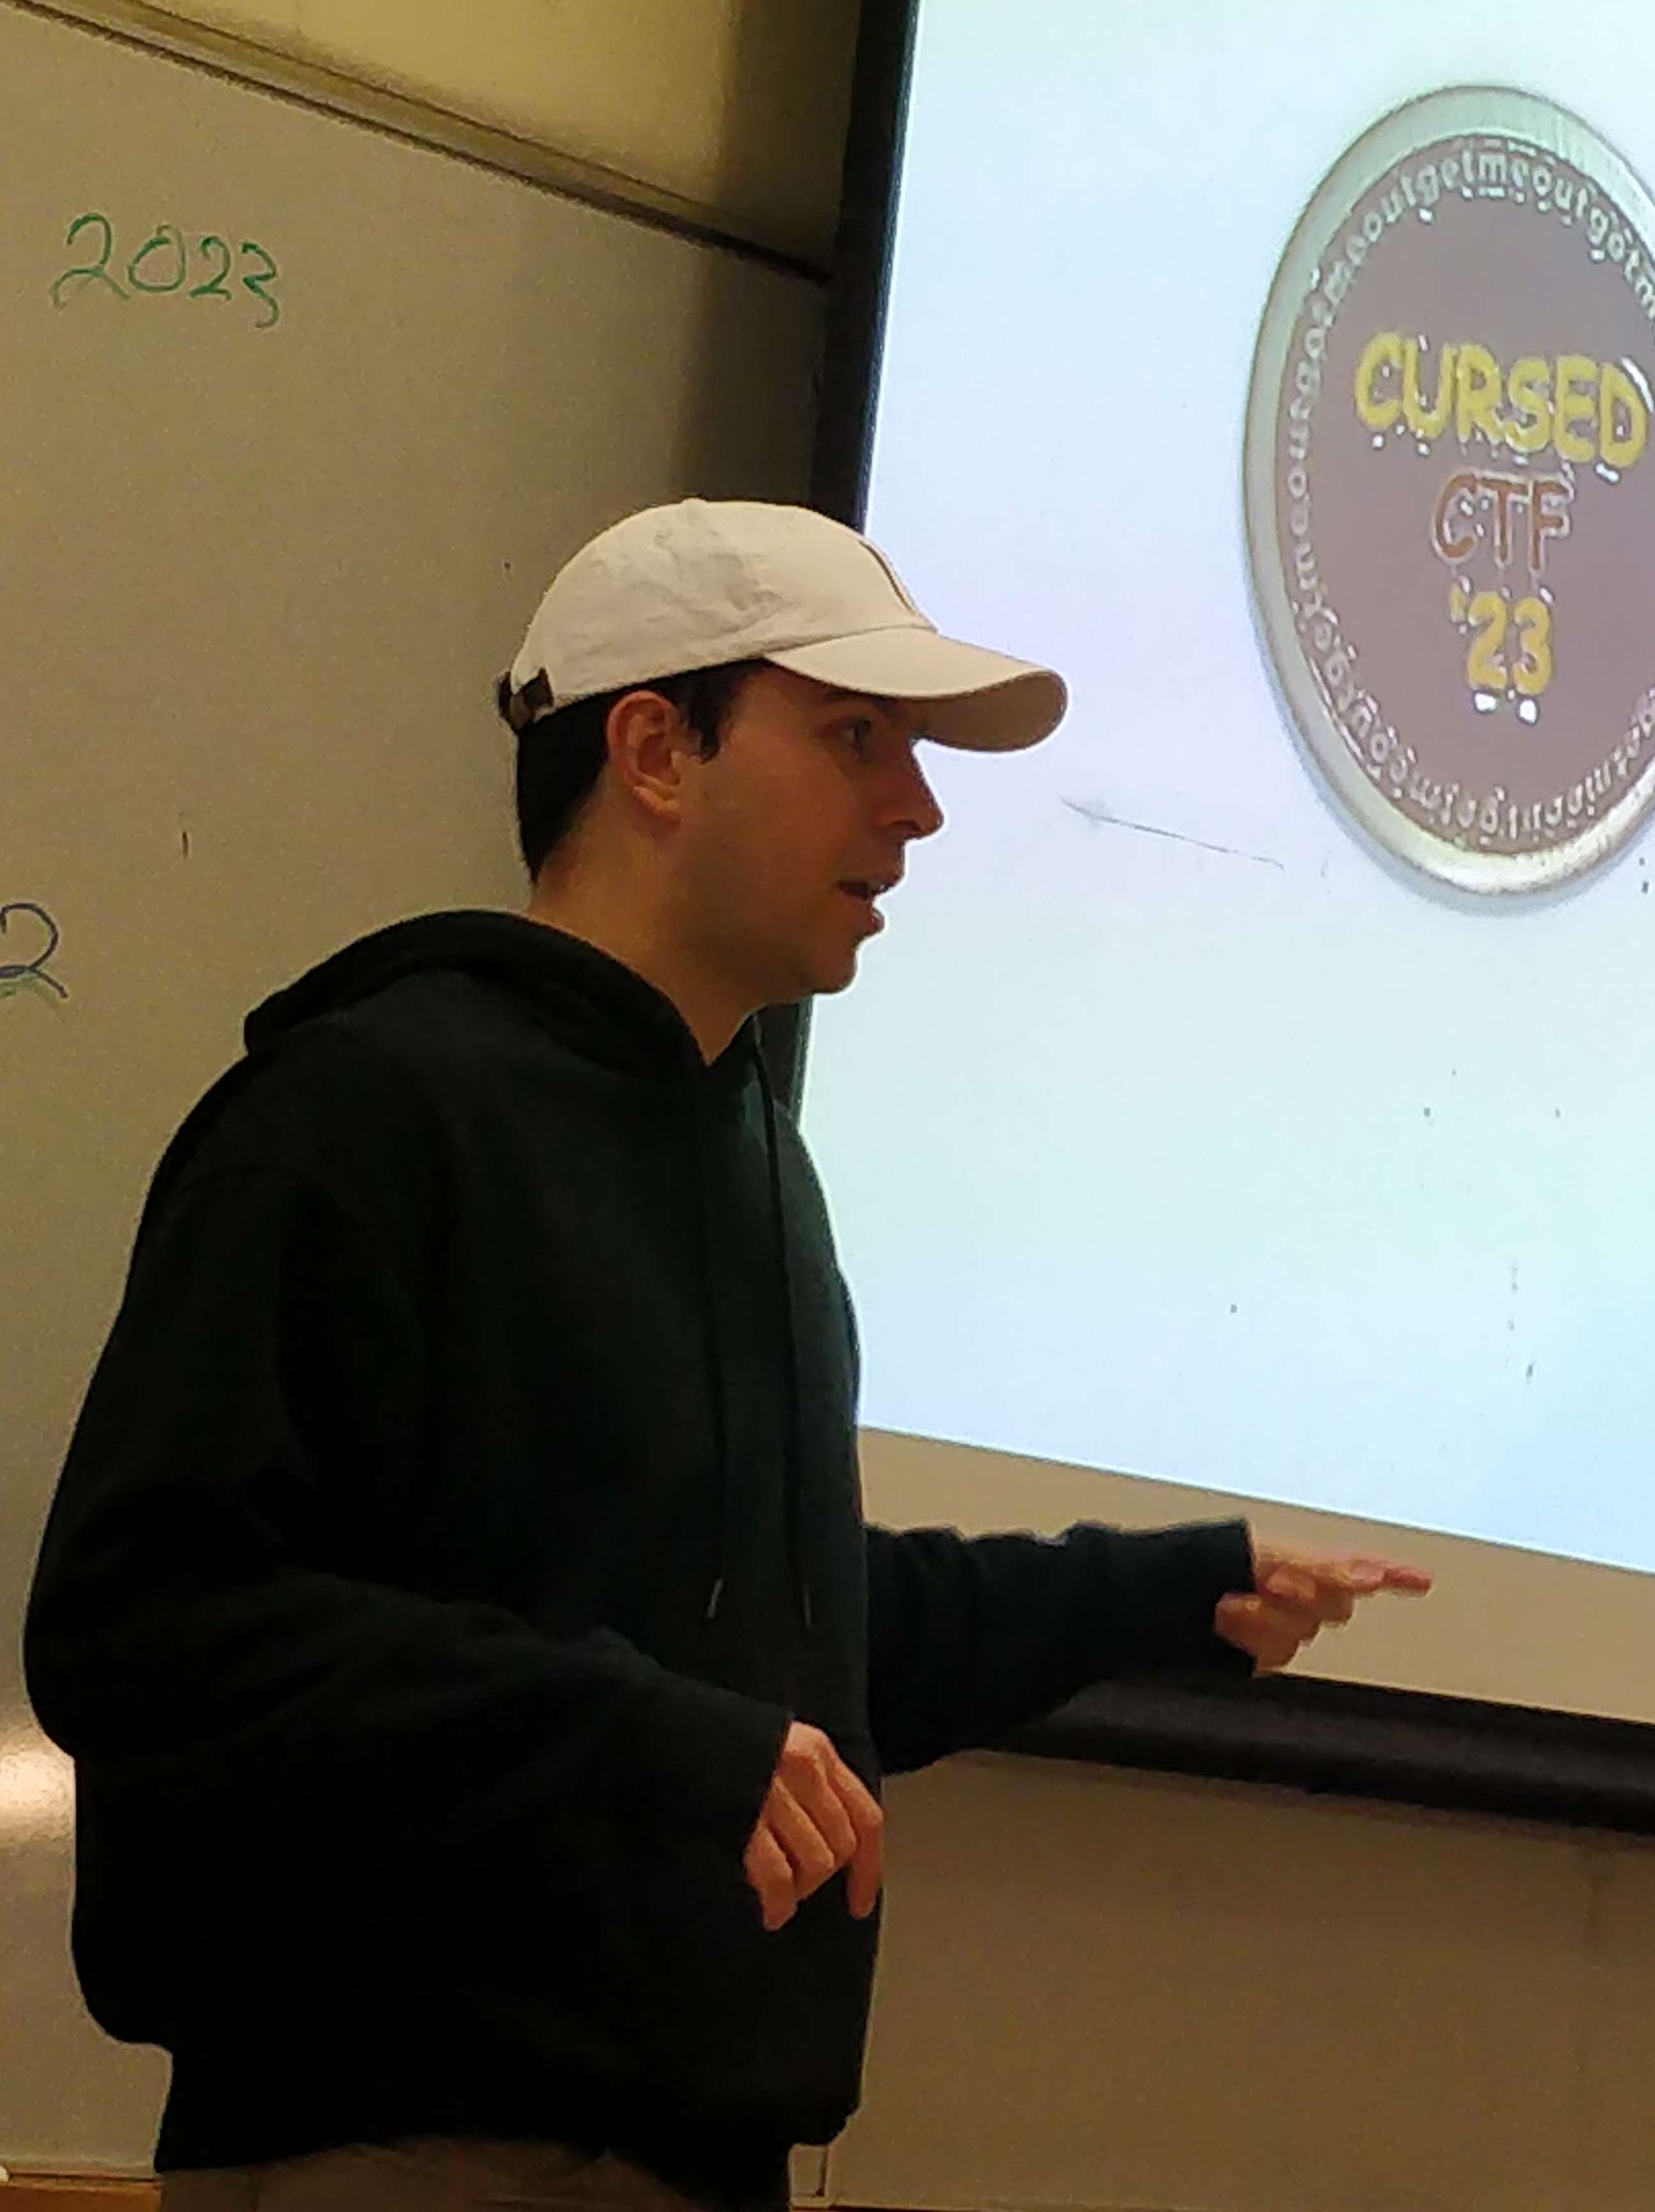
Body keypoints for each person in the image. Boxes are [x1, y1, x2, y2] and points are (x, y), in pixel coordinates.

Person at [22, 500, 1431, 2212]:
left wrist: (1168, 1591)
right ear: (652, 752)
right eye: (856, 739)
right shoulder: (361, 1113)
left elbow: (782, 1648)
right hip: (403, 2142)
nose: (916, 808)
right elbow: (145, 1624)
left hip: (704, 2152)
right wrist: (638, 1738)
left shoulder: (761, 1167)